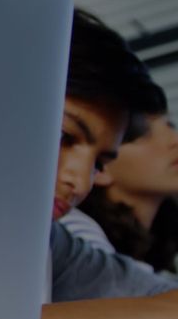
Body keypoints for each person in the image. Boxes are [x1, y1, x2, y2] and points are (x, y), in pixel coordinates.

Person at [38, 9, 178, 319]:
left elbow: (155, 299)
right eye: (63, 136)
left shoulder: (51, 244)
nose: (80, 182)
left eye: (99, 162)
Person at [62, 107, 178, 275]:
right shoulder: (76, 236)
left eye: (170, 125)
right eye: (143, 133)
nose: (174, 140)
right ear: (100, 165)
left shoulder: (154, 259)